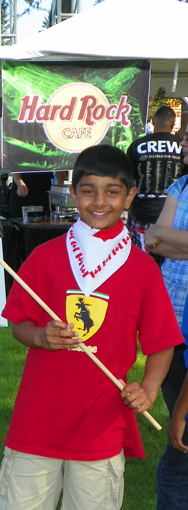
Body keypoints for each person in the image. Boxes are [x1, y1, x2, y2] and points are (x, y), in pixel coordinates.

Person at [0, 145, 182, 510]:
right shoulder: (45, 257)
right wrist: (39, 336)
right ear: (73, 193)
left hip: (101, 424)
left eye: (112, 191)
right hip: (38, 419)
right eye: (88, 190)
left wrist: (149, 388)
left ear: (129, 197)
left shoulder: (142, 268)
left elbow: (162, 342)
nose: (99, 201)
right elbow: (19, 323)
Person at [144, 130, 188, 509]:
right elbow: (150, 240)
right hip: (171, 317)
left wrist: (166, 237)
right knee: (178, 409)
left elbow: (160, 236)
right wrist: (165, 237)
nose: (184, 143)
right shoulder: (181, 183)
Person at [126, 106, 186, 256]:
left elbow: (127, 180)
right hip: (173, 219)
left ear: (153, 122)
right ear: (173, 125)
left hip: (142, 213)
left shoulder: (137, 145)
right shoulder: (181, 147)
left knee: (140, 261)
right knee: (170, 257)